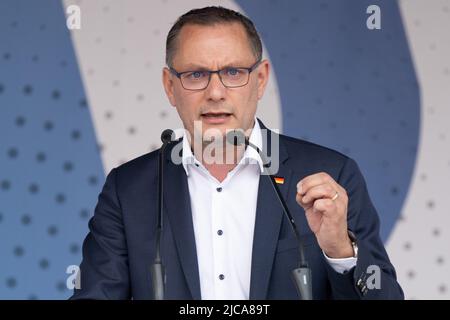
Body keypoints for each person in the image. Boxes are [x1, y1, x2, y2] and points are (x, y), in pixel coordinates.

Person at [71, 6, 403, 300]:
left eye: (233, 73)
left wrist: (340, 251)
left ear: (260, 80)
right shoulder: (128, 189)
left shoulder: (331, 175)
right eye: (196, 75)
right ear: (170, 87)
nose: (215, 92)